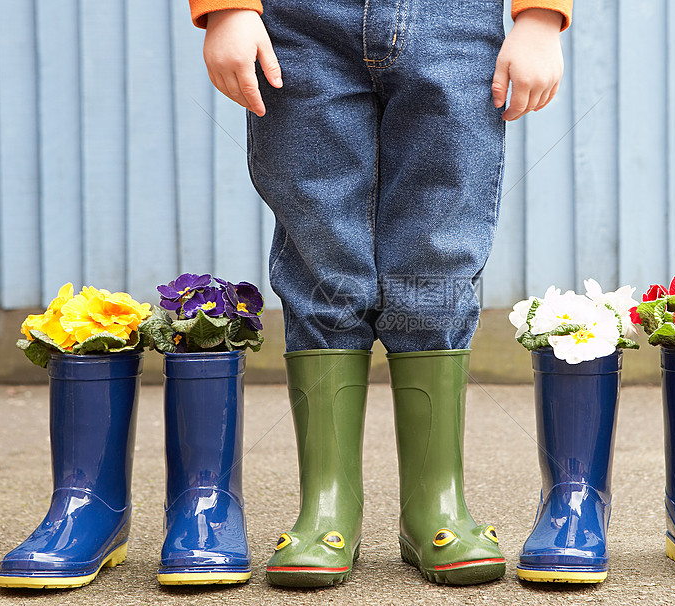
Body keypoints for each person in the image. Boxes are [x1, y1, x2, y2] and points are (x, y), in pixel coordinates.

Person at [188, 0, 571, 587]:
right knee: (321, 255)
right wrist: (226, 9)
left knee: (438, 252)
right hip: (297, 23)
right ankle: (327, 508)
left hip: (455, 22)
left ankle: (434, 506)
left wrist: (541, 14)